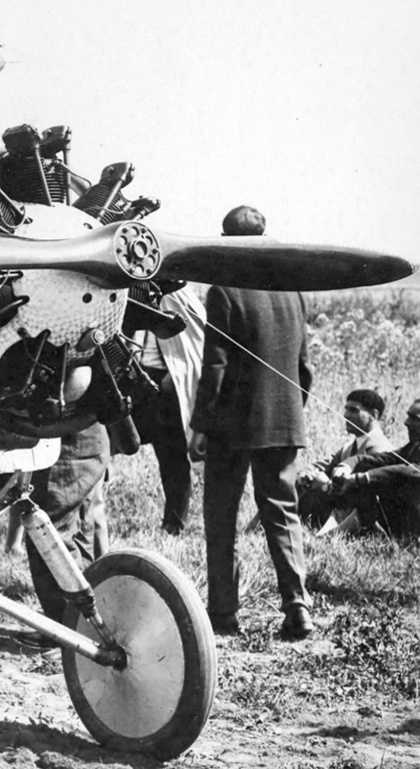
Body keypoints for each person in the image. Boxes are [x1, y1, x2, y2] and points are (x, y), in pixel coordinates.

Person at [189, 205, 314, 641]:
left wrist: (201, 425)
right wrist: (290, 411)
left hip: (230, 427)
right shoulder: (293, 291)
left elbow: (215, 367)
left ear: (226, 241)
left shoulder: (223, 290)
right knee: (283, 513)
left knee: (222, 520)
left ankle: (223, 615)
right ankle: (298, 606)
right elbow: (304, 368)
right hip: (282, 422)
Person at [13, 421, 111, 647]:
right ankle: (84, 627)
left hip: (65, 448)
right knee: (79, 533)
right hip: (86, 442)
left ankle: (67, 633)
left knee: (49, 538)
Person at [130, 286, 206, 535]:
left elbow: (196, 340)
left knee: (173, 456)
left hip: (167, 383)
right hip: (132, 378)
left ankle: (174, 522)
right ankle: (93, 517)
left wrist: (174, 381)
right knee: (112, 444)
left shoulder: (179, 295)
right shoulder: (130, 289)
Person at [296, 389, 393, 532]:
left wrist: (326, 486)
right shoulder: (350, 446)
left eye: (354, 410)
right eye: (346, 409)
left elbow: (366, 498)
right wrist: (307, 472)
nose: (346, 415)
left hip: (360, 524)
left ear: (373, 415)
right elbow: (328, 465)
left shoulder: (382, 449)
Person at [327, 397, 420, 537]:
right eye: (408, 416)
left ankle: (336, 534)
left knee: (375, 484)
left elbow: (410, 471)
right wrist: (346, 466)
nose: (406, 422)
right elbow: (379, 459)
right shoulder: (413, 447)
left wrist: (361, 478)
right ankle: (338, 532)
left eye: (414, 418)